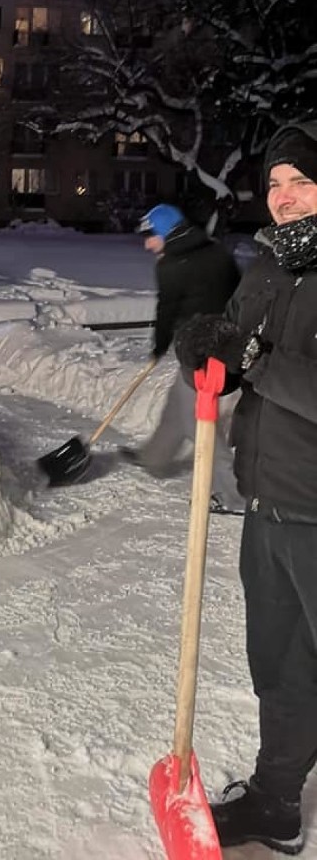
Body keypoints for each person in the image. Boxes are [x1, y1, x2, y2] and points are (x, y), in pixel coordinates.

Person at [174, 121, 317, 855]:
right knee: (279, 666)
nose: (285, 197)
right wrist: (208, 353)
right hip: (266, 504)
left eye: (302, 181)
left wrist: (255, 358)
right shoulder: (266, 266)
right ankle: (277, 803)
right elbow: (236, 354)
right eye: (275, 185)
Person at [120, 202, 242, 511]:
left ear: (165, 232)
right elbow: (241, 293)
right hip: (224, 341)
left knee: (195, 421)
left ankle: (234, 494)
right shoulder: (216, 252)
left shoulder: (172, 265)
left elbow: (167, 310)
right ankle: (155, 457)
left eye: (150, 235)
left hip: (205, 355)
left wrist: (158, 346)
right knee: (178, 404)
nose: (147, 243)